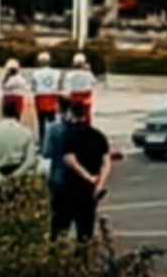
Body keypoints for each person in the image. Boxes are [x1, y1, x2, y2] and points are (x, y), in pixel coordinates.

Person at [60, 101, 111, 242]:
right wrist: (100, 183)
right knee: (87, 224)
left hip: (72, 185)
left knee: (65, 222)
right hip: (92, 189)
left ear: (71, 115)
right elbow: (106, 163)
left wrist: (87, 177)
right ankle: (85, 248)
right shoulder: (98, 136)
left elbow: (71, 161)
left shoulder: (68, 135)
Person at [0, 100, 37, 199]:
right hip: (19, 177)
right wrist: (16, 176)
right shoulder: (26, 133)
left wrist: (0, 179)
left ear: (2, 113)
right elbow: (31, 160)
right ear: (18, 113)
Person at [43, 96, 72, 240]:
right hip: (74, 176)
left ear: (58, 108)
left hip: (57, 175)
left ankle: (56, 239)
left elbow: (47, 152)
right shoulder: (76, 126)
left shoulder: (53, 128)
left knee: (57, 211)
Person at [32, 52, 61, 144]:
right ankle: (53, 140)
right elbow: (59, 87)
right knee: (53, 122)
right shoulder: (56, 73)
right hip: (52, 98)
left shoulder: (36, 73)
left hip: (40, 99)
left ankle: (42, 141)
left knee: (41, 123)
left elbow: (34, 88)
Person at [64, 53, 97, 125]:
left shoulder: (70, 75)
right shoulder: (88, 74)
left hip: (74, 97)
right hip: (86, 96)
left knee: (74, 115)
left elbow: (67, 87)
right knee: (87, 114)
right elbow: (94, 83)